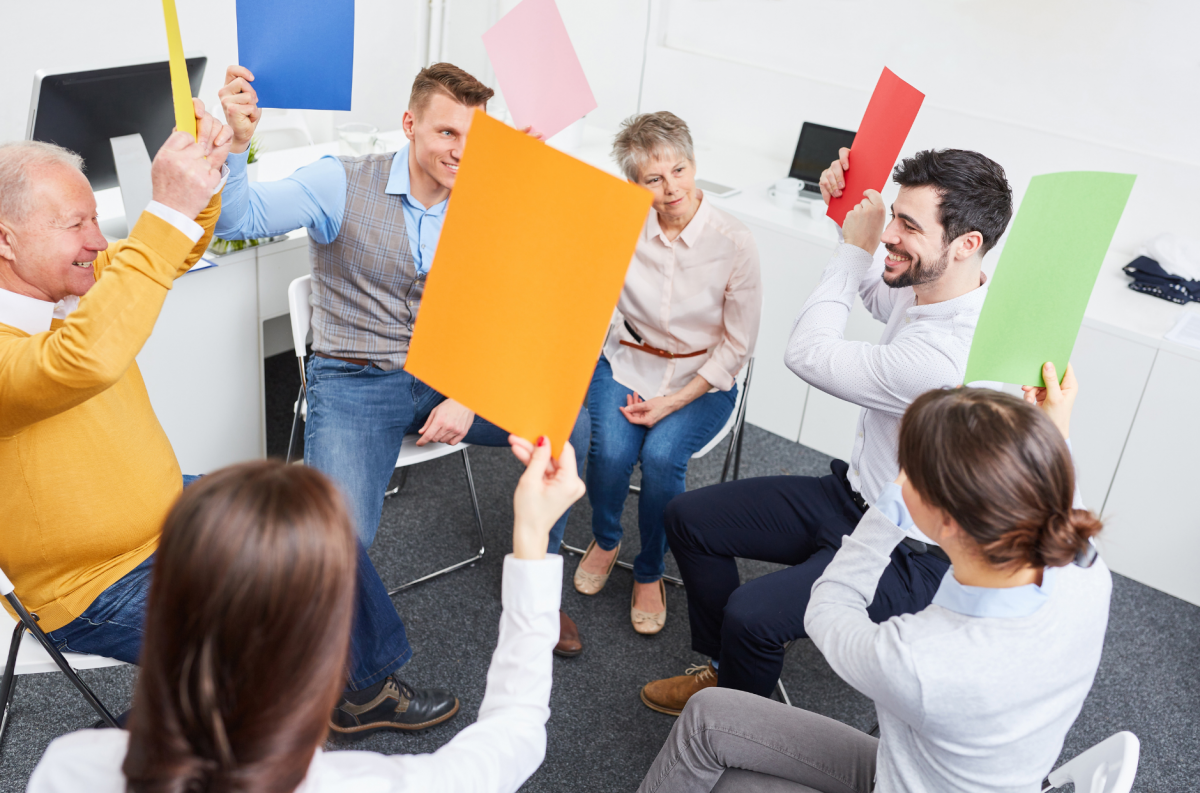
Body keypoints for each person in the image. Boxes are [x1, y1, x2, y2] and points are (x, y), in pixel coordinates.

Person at [0, 104, 456, 739]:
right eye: (75, 223)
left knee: (318, 518)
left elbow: (171, 254)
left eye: (95, 222)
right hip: (90, 584)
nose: (99, 241)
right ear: (5, 239)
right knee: (268, 652)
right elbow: (83, 361)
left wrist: (205, 181)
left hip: (169, 510)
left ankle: (363, 693)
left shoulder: (77, 280)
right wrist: (161, 214)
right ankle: (127, 755)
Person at [217, 62, 589, 656]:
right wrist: (235, 145)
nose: (462, 152)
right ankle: (311, 665)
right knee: (340, 541)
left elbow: (517, 304)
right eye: (447, 134)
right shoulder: (339, 181)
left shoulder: (489, 192)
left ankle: (538, 587)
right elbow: (240, 219)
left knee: (564, 421)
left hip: (449, 372)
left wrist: (467, 393)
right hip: (356, 379)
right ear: (410, 124)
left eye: (474, 138)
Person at [640, 147, 1013, 713]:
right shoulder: (935, 288)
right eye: (892, 215)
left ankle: (732, 731)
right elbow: (874, 289)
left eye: (908, 225)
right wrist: (846, 210)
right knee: (688, 520)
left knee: (752, 615)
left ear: (967, 244)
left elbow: (808, 354)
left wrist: (851, 247)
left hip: (906, 549)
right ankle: (724, 672)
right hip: (856, 496)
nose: (889, 233)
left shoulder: (943, 357)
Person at [636, 370, 1111, 793]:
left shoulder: (921, 657)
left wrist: (887, 511)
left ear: (942, 521)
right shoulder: (1085, 573)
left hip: (894, 779)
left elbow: (827, 608)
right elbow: (1057, 496)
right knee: (710, 717)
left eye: (911, 471)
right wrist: (1053, 431)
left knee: (721, 769)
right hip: (952, 772)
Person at [27, 434, 586, 793]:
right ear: (324, 654)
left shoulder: (67, 765)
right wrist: (532, 538)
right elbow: (516, 727)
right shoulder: (387, 784)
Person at [571, 111, 761, 635]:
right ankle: (607, 539)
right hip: (628, 359)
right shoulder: (619, 225)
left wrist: (673, 402)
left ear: (693, 164)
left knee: (659, 458)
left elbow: (738, 346)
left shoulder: (734, 241)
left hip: (702, 378)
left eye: (679, 170)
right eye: (653, 178)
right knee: (609, 450)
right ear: (634, 184)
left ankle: (650, 569)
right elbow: (583, 296)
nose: (671, 187)